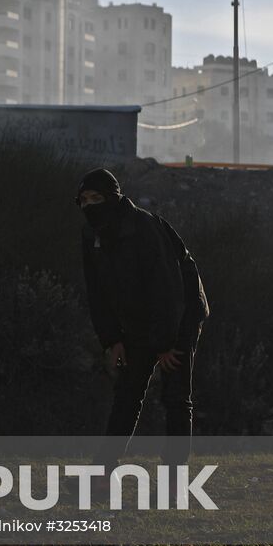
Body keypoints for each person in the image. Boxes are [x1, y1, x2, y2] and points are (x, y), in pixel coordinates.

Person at [76, 168, 208, 487]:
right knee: (127, 393)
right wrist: (112, 339)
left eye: (98, 198)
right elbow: (98, 293)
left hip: (179, 316)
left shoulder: (144, 228)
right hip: (138, 323)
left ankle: (174, 481)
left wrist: (166, 343)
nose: (91, 205)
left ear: (114, 197)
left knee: (176, 397)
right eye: (84, 200)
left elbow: (169, 287)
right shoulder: (93, 236)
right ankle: (102, 474)